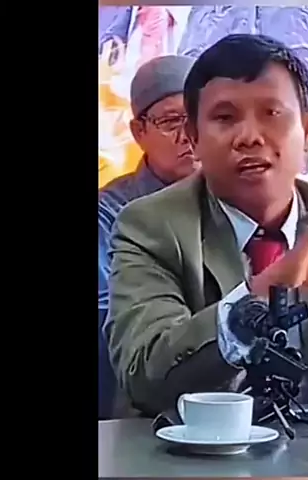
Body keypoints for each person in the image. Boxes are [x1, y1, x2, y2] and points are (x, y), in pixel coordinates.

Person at [104, 34, 308, 417]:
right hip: (203, 451)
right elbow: (143, 374)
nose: (249, 137)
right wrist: (263, 292)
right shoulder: (151, 227)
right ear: (194, 138)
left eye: (272, 113)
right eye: (225, 118)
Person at [97, 54, 197, 419]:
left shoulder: (232, 200)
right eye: (171, 121)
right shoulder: (111, 212)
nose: (188, 135)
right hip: (137, 404)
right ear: (139, 132)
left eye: (197, 117)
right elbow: (111, 315)